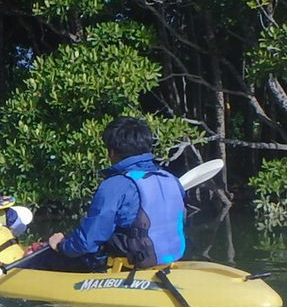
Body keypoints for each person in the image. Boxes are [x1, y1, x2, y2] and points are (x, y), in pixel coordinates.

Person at [17, 116, 186, 272]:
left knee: (45, 258)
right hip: (168, 260)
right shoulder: (171, 179)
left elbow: (88, 241)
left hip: (128, 264)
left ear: (112, 151)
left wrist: (62, 245)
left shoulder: (115, 185)